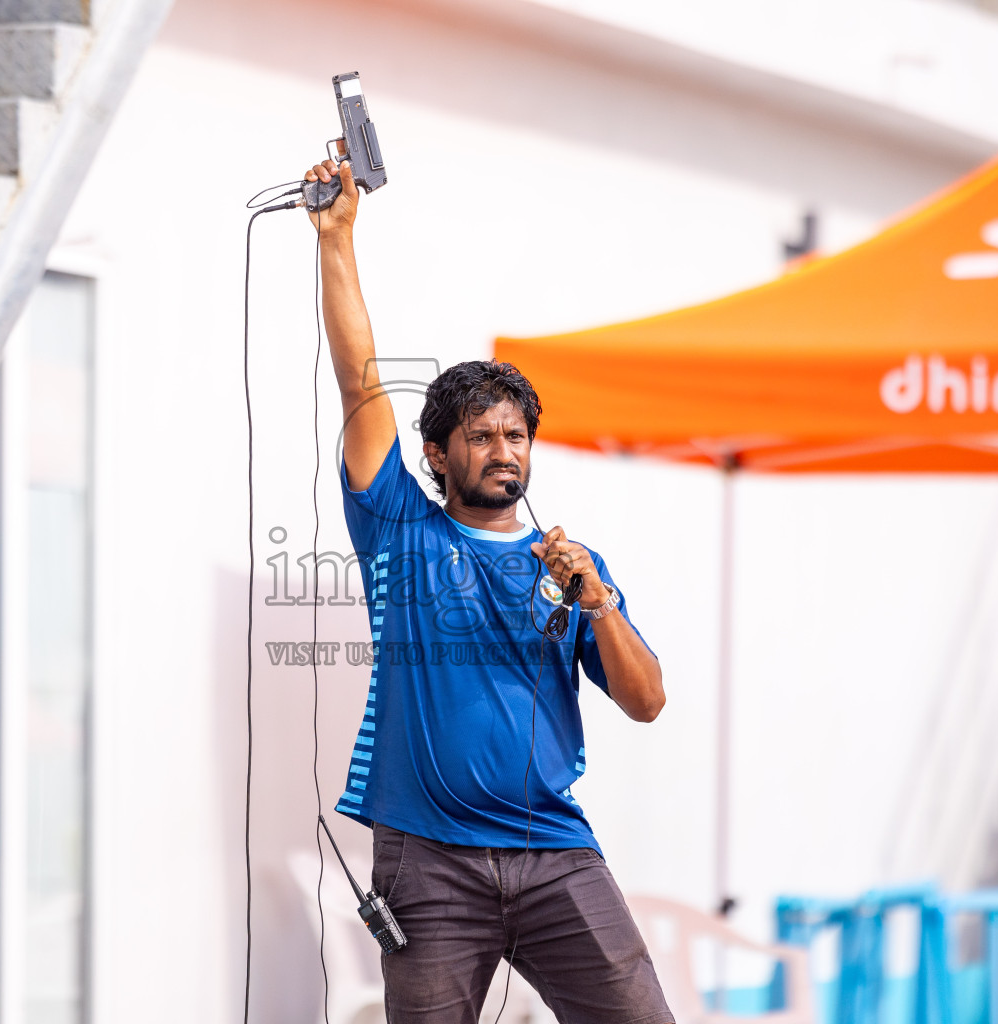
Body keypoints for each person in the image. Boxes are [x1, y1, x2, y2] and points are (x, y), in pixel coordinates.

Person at [306, 155, 673, 1024]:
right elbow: (360, 382)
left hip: (554, 853)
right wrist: (337, 240)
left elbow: (648, 701)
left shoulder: (572, 567)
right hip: (428, 864)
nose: (504, 451)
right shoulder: (400, 528)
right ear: (439, 454)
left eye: (516, 436)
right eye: (481, 436)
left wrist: (597, 603)